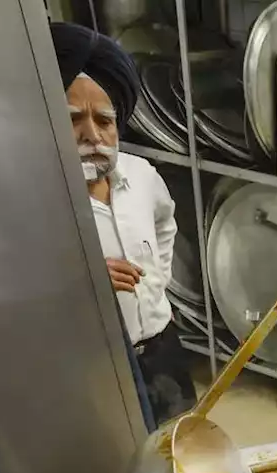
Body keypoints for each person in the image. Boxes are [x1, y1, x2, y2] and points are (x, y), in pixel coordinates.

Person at [50, 22, 196, 426]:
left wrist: (157, 281)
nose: (92, 135)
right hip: (95, 364)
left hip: (162, 348)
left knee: (179, 445)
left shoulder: (142, 175)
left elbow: (166, 224)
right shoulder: (38, 202)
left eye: (105, 120)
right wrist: (80, 282)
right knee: (120, 460)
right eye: (74, 119)